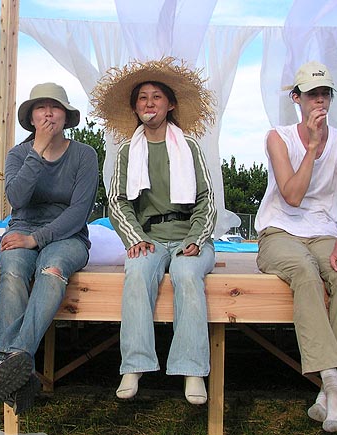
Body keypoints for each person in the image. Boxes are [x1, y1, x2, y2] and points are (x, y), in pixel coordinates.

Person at [91, 57, 217, 405]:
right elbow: (117, 201)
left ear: (170, 105)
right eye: (142, 97)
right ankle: (135, 364)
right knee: (137, 272)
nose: (149, 102)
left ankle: (192, 370)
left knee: (188, 274)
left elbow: (206, 199)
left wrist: (195, 239)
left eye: (157, 97)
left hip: (189, 237)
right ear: (135, 107)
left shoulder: (188, 147)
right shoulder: (127, 152)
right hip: (148, 238)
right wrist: (135, 239)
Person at [254, 61, 337, 433]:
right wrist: (313, 148)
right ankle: (333, 385)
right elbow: (291, 194)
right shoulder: (278, 137)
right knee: (303, 270)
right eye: (312, 94)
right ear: (297, 98)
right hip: (278, 230)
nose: (320, 100)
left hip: (324, 231)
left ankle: (331, 387)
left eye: (325, 93)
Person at [0, 83, 99, 415]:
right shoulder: (19, 154)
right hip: (21, 229)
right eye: (41, 108)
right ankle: (21, 369)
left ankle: (6, 360)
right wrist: (38, 150)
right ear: (31, 117)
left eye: (55, 107)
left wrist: (38, 239)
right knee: (13, 267)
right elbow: (16, 198)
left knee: (52, 268)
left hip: (68, 234)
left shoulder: (84, 154)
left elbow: (80, 211)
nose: (48, 113)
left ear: (66, 116)